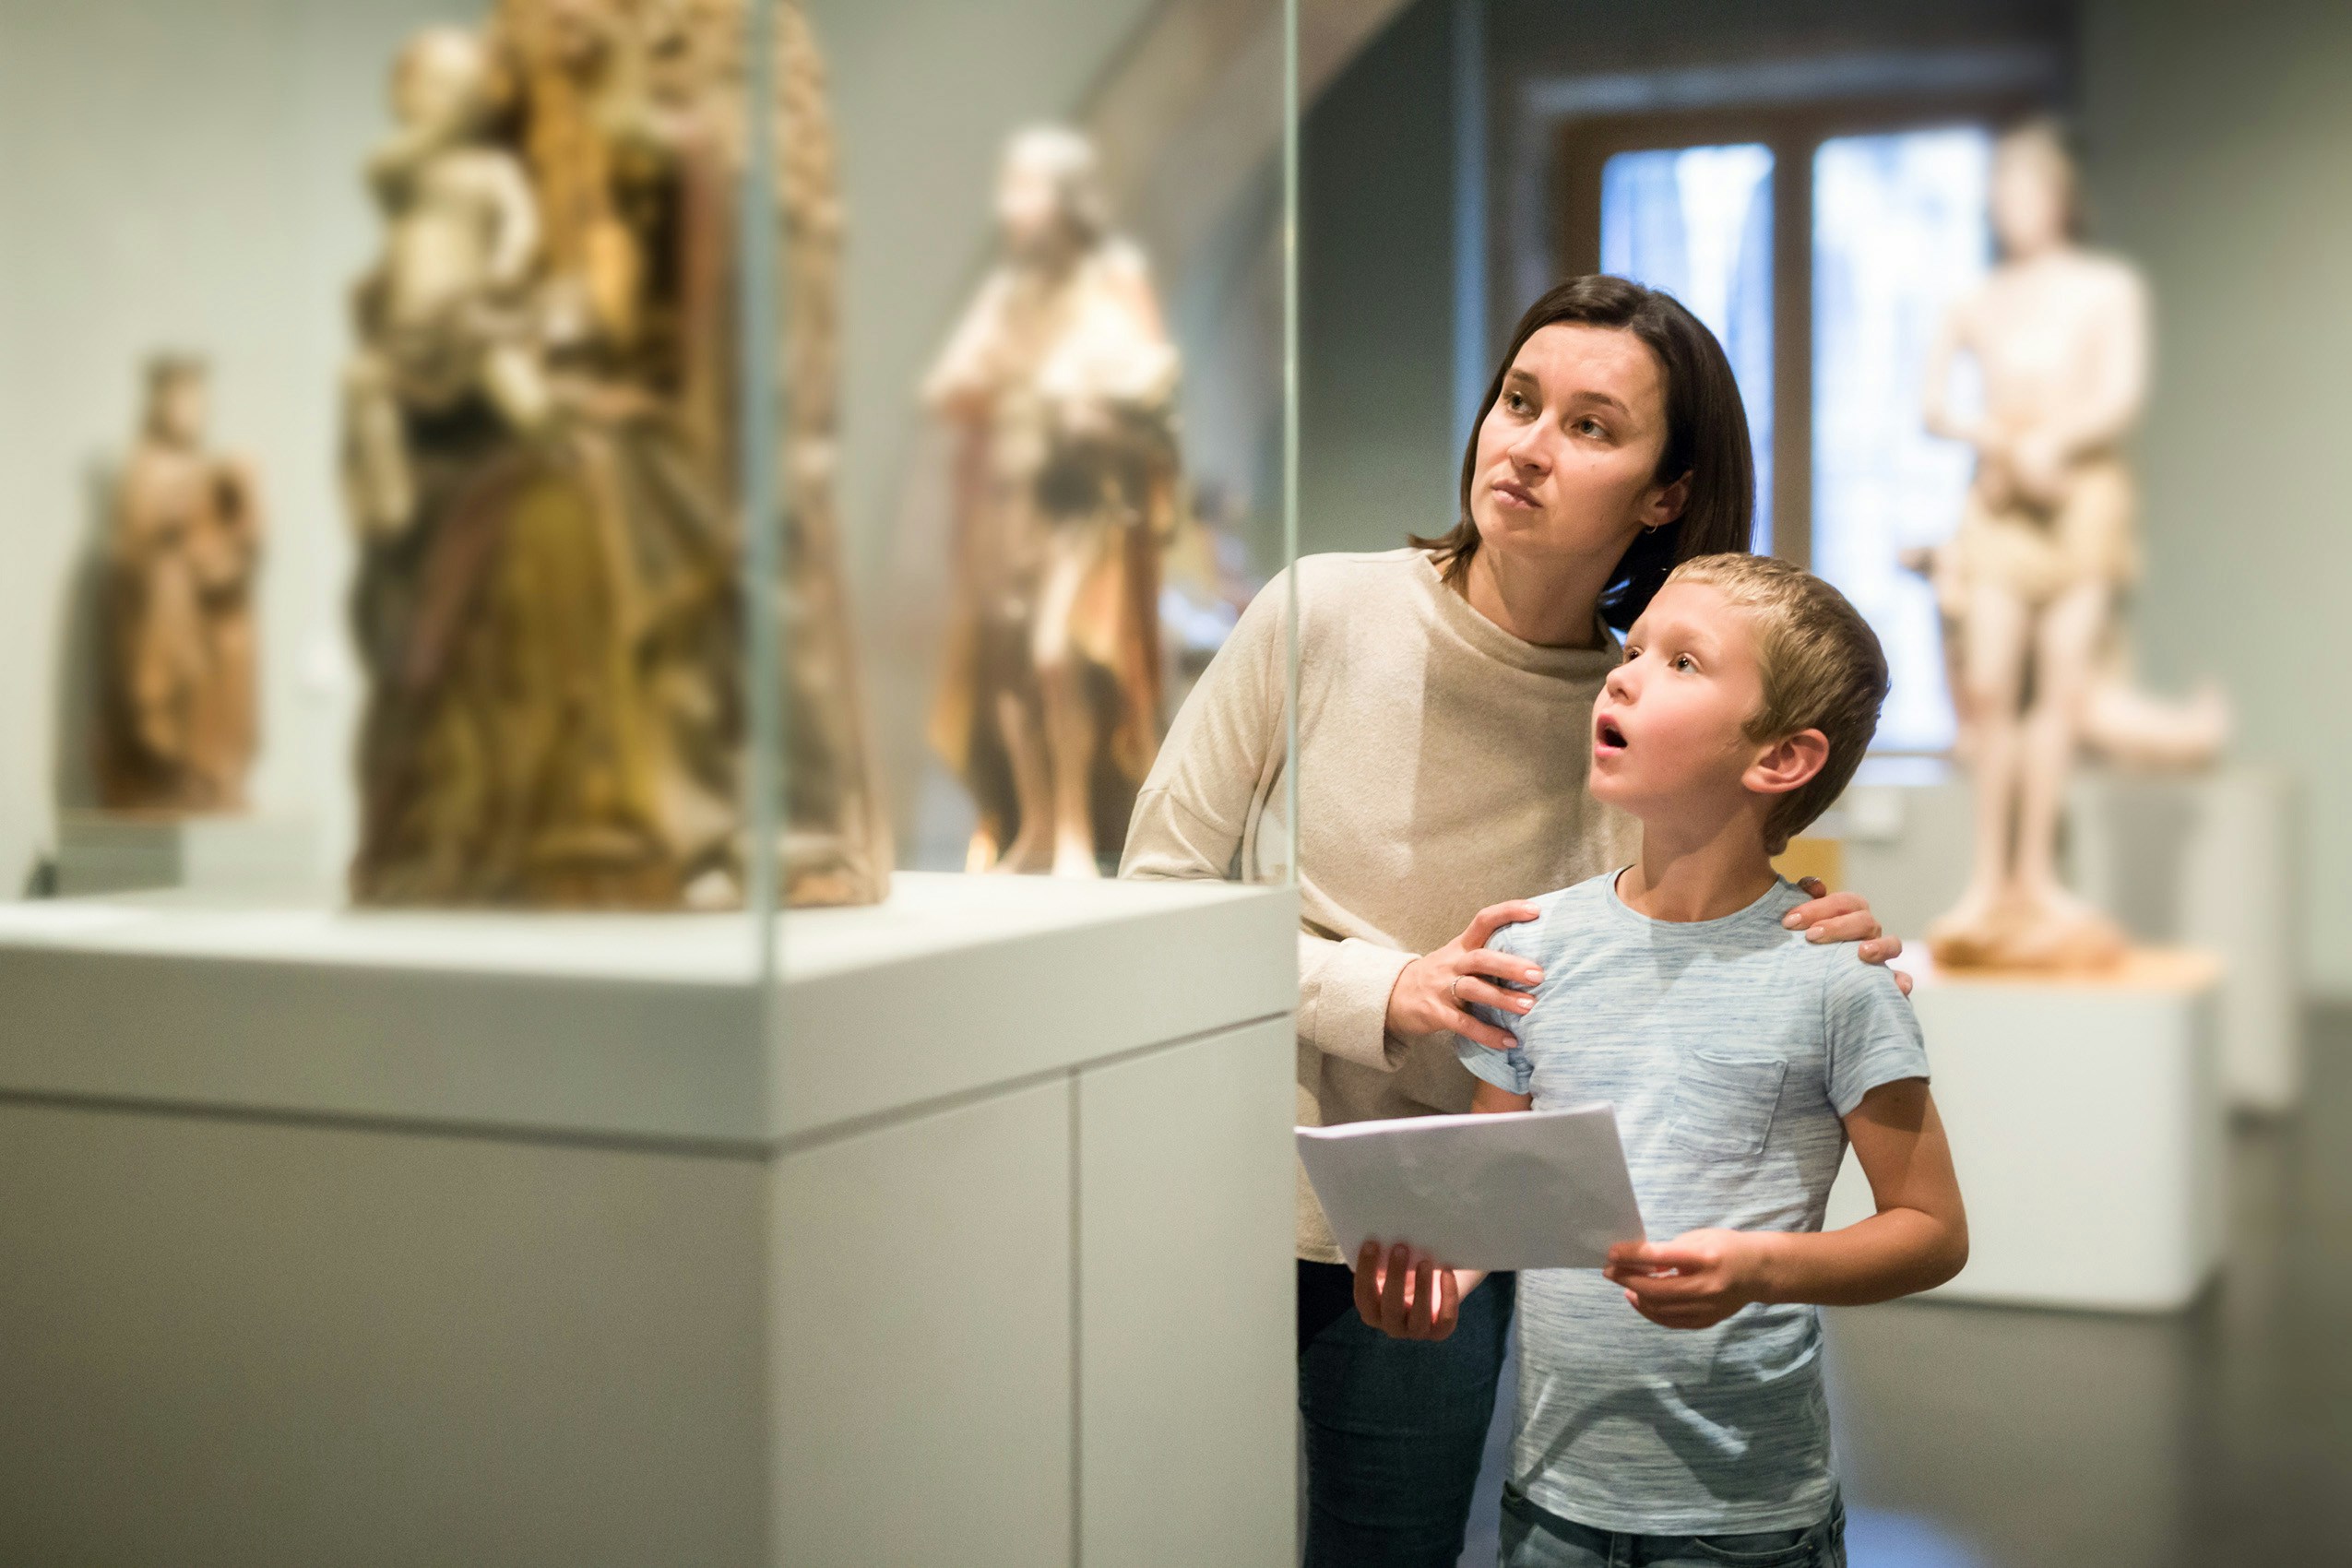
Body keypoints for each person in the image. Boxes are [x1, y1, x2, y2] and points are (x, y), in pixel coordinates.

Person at [1121, 276, 1910, 1567]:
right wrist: (1381, 993)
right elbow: (1155, 895)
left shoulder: (1643, 709)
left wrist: (1814, 925)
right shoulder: (1320, 609)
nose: (1526, 444)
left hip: (1459, 1219)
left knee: (1392, 1549)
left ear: (1665, 492)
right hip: (1238, 1169)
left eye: (1591, 427)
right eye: (1517, 400)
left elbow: (1675, 925)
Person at [1357, 552, 1968, 1568]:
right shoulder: (1531, 945)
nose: (1625, 673)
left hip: (1749, 1520)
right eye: (1633, 648)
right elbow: (1495, 1192)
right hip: (1552, 1501)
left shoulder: (1834, 972)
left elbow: (1932, 1228)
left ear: (1781, 758)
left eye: (1683, 662)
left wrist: (1760, 1266)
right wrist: (1443, 1278)